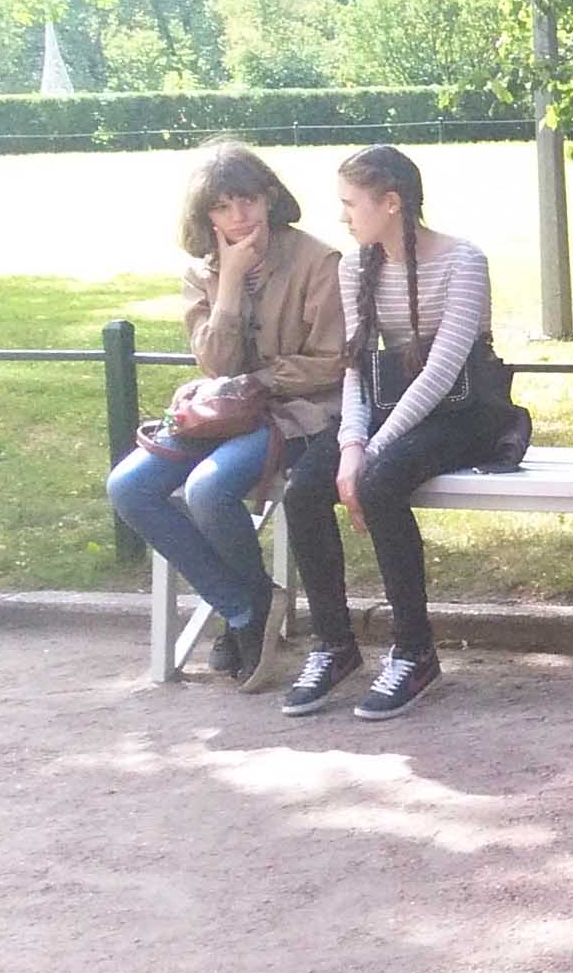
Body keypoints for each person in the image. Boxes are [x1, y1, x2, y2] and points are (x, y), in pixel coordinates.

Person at [105, 144, 349, 691]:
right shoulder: (203, 273)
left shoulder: (318, 260)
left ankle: (245, 615)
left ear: (270, 197)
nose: (238, 216)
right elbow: (215, 363)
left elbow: (331, 362)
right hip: (221, 413)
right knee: (129, 486)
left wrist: (259, 380)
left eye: (247, 199)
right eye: (221, 206)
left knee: (208, 489)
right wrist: (231, 281)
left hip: (297, 413)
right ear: (205, 216)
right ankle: (246, 606)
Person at [283, 145, 506, 722]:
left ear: (391, 203)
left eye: (350, 203)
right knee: (303, 490)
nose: (343, 217)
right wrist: (350, 446)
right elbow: (357, 367)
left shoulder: (463, 260)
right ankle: (334, 645)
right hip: (390, 407)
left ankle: (414, 652)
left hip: (464, 413)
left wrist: (372, 453)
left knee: (380, 484)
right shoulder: (355, 266)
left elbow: (442, 372)